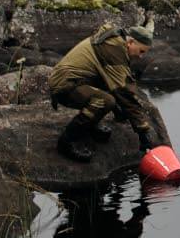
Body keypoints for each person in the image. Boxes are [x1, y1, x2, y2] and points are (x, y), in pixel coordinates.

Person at [48, 24, 156, 162]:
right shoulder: (114, 49)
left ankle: (91, 125)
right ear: (130, 42)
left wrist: (121, 112)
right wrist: (143, 132)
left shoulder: (115, 42)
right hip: (65, 85)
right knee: (105, 101)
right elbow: (125, 91)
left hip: (77, 80)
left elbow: (115, 82)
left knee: (109, 87)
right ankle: (66, 142)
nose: (141, 56)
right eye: (141, 51)